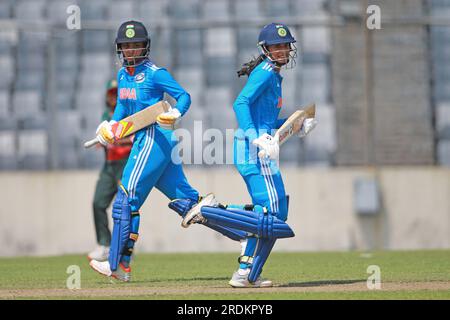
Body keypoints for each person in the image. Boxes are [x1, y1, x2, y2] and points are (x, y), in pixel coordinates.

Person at [183, 23, 316, 287]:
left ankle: (247, 273)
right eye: (276, 46)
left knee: (273, 215)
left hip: (260, 149)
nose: (282, 50)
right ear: (265, 49)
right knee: (272, 213)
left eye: (285, 45)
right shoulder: (265, 73)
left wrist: (294, 124)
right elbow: (240, 103)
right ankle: (212, 211)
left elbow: (265, 119)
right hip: (254, 150)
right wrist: (256, 136)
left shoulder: (274, 75)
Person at [88, 20, 220, 282]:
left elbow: (184, 96)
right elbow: (123, 112)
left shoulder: (155, 73)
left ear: (145, 46)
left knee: (125, 200)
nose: (131, 51)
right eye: (126, 46)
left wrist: (175, 113)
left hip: (154, 137)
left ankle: (118, 265)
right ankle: (245, 232)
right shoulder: (123, 76)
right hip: (149, 141)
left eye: (136, 45)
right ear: (120, 49)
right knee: (189, 204)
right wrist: (109, 127)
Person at [87, 79, 132, 262]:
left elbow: (133, 138)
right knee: (98, 203)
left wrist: (114, 140)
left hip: (125, 163)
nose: (113, 96)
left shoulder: (129, 112)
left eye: (116, 92)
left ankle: (123, 250)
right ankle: (105, 244)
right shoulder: (106, 115)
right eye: (111, 93)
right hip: (109, 165)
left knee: (124, 207)